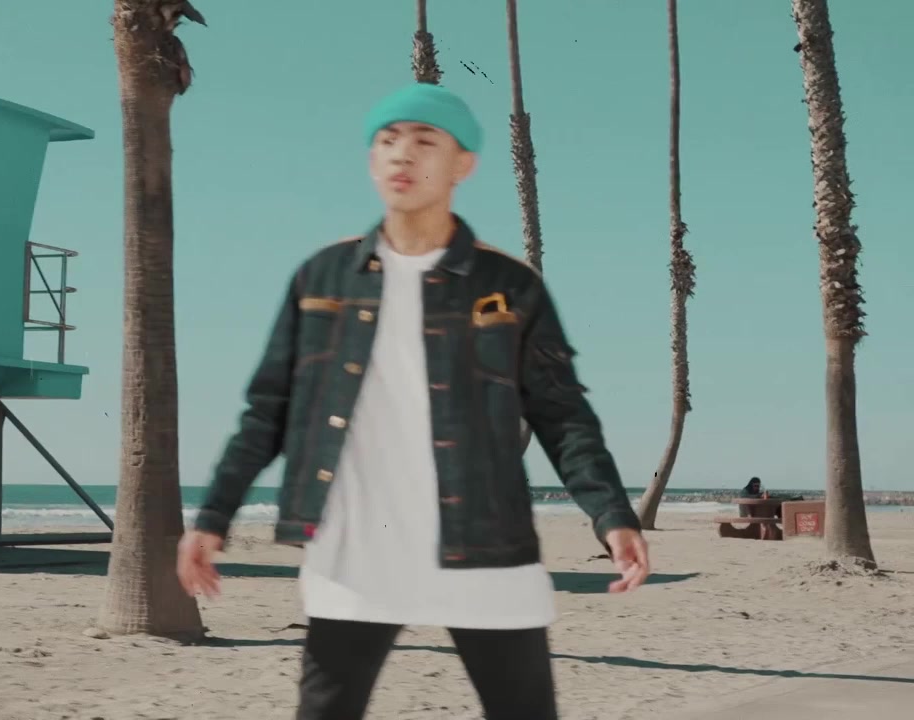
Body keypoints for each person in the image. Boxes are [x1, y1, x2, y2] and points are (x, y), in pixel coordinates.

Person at [176, 83, 650, 720]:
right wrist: (213, 517)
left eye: (425, 141)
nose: (402, 154)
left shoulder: (509, 285)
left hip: (485, 547)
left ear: (462, 165)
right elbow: (269, 411)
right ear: (372, 160)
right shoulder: (322, 277)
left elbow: (563, 416)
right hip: (355, 553)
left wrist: (612, 517)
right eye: (387, 140)